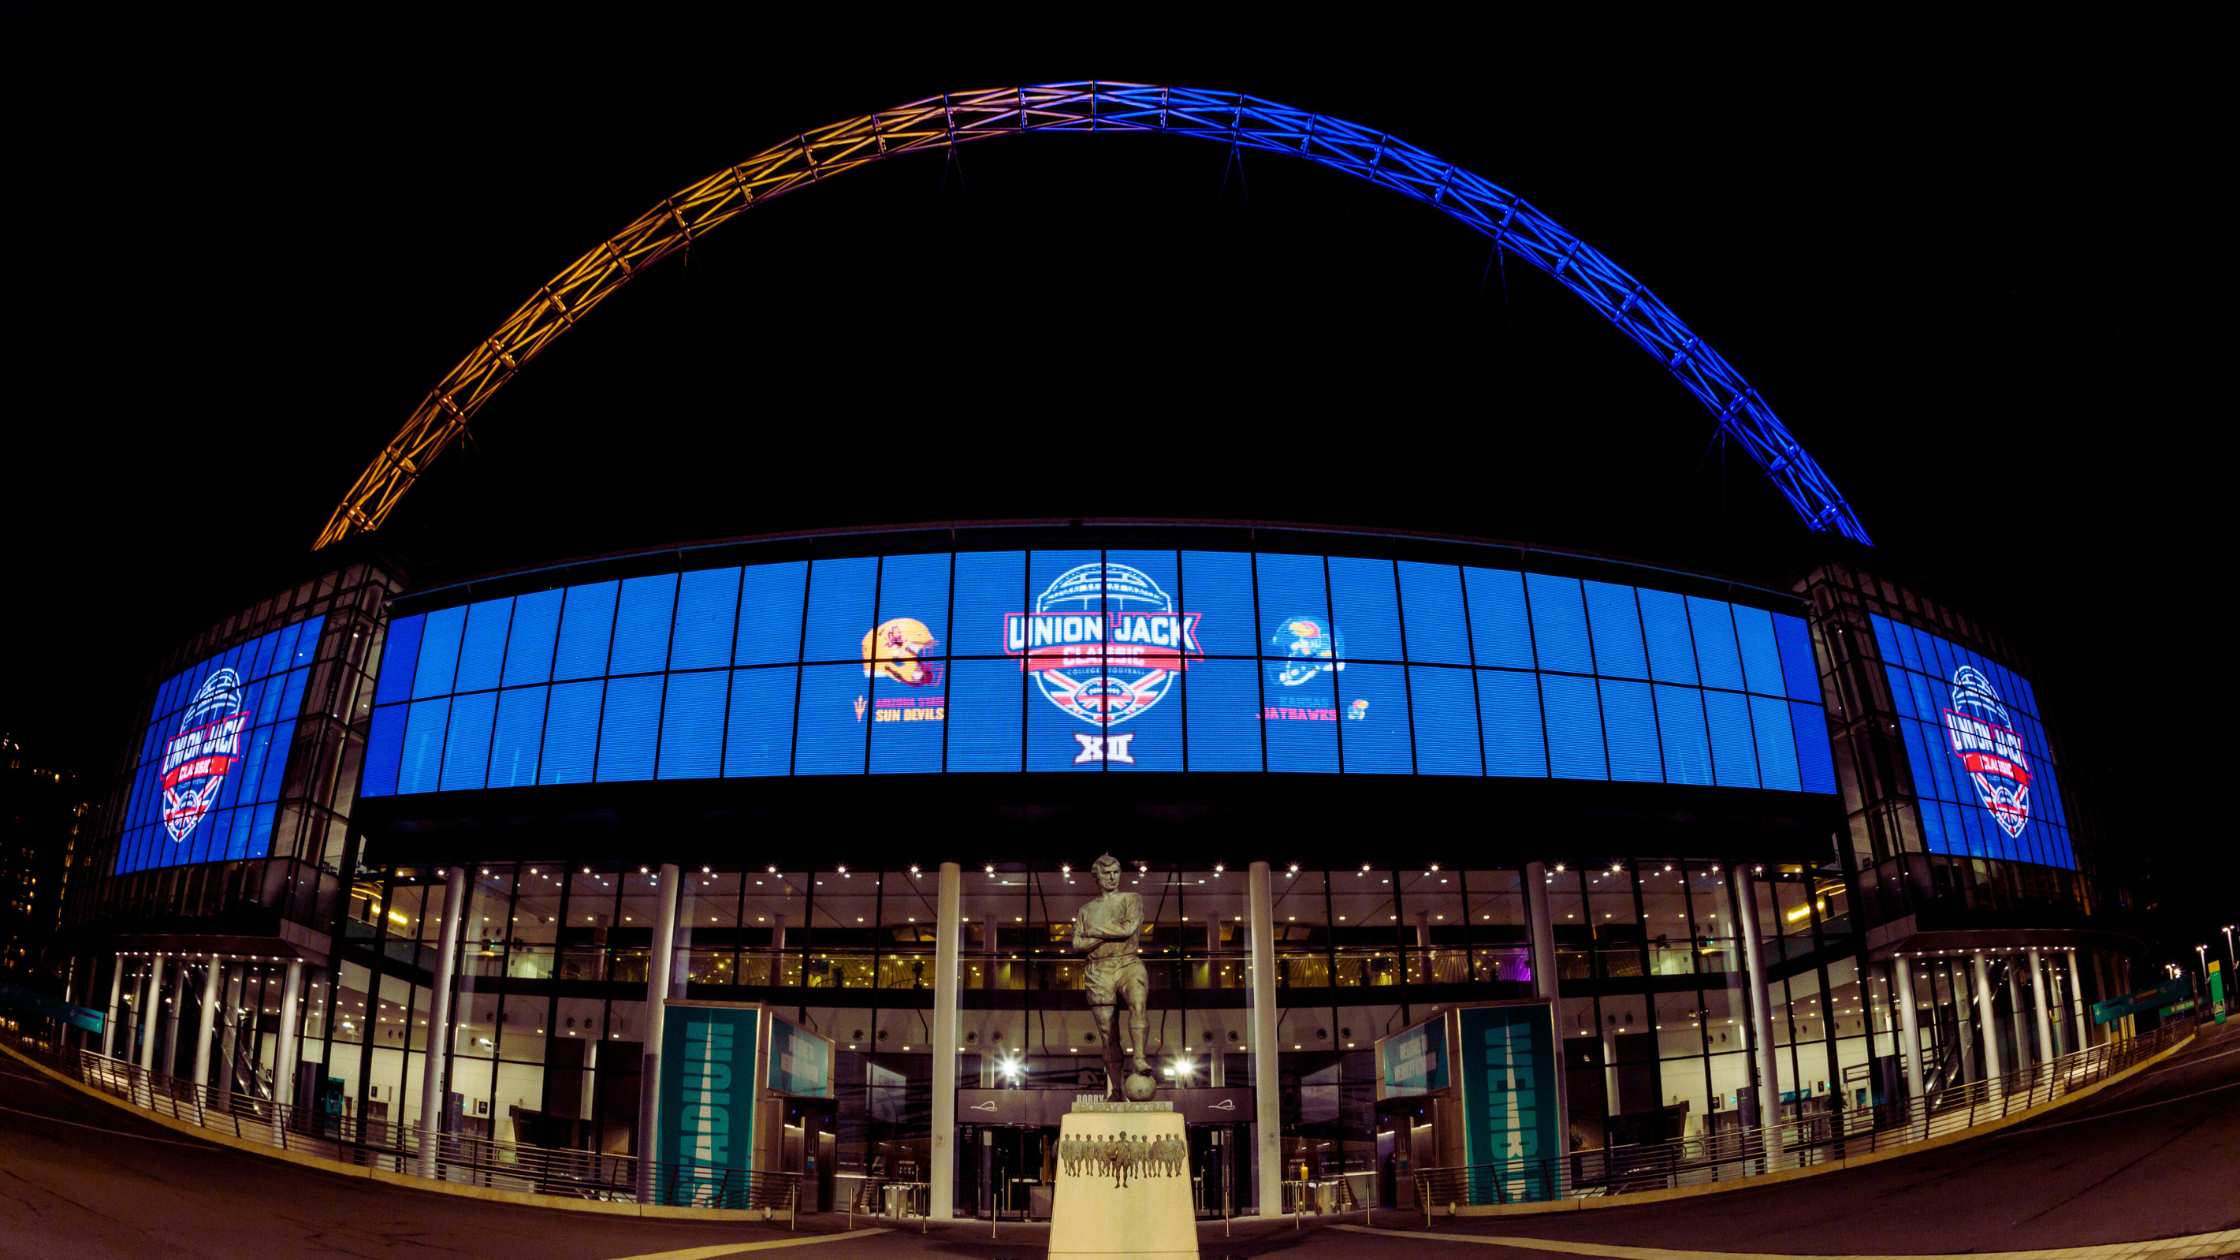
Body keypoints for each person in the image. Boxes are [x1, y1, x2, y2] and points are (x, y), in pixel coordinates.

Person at [1073, 853, 1152, 1099]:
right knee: (1108, 1034)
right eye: (1106, 873)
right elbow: (1077, 943)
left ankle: (1139, 1057)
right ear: (1097, 876)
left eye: (1116, 872)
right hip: (1098, 970)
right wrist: (1109, 934)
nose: (1112, 877)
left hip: (1128, 962)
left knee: (1138, 1003)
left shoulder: (1131, 898)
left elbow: (1129, 928)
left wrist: (1094, 933)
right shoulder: (1086, 910)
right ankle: (1116, 1090)